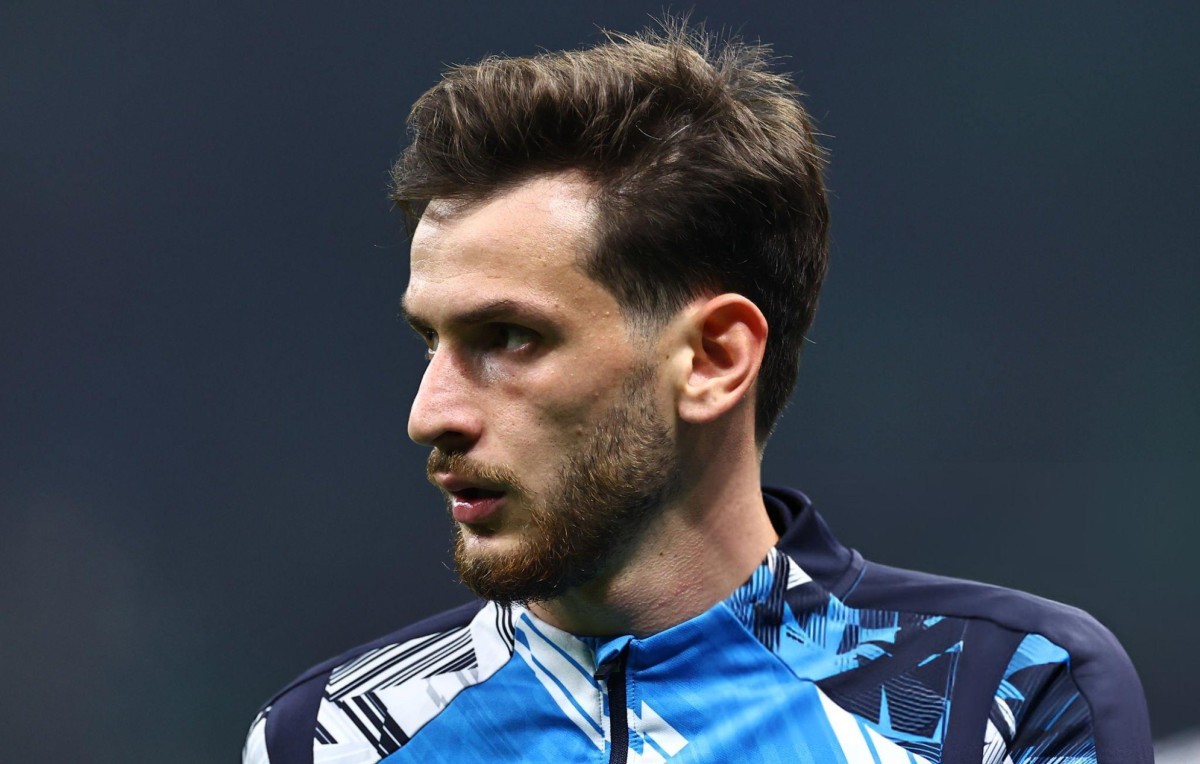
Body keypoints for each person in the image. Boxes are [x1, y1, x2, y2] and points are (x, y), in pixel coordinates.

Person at [243, 23, 1152, 764]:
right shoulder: (326, 740)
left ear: (715, 358)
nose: (429, 414)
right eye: (430, 341)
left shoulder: (999, 697)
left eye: (509, 338)